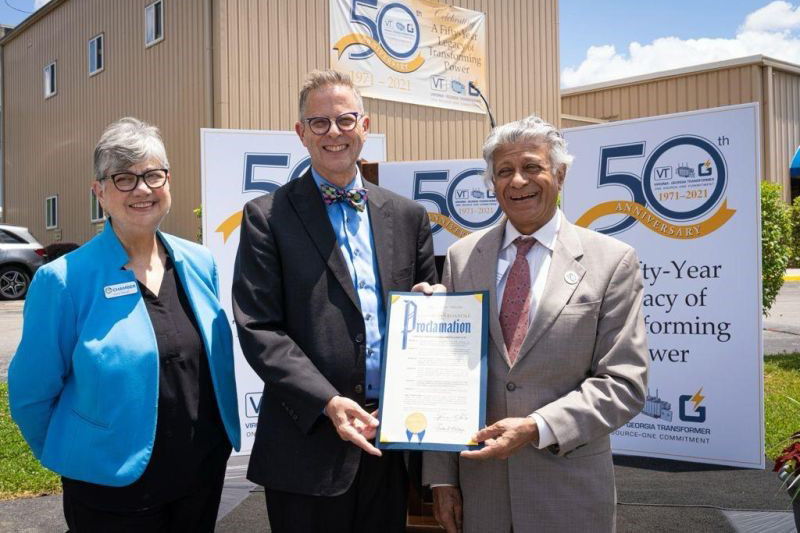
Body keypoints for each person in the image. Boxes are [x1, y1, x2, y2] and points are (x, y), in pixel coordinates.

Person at [9, 117, 241, 532]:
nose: (142, 189)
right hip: (109, 488)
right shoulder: (64, 281)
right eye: (124, 178)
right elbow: (31, 394)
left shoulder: (199, 262)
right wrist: (78, 455)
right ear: (99, 192)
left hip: (200, 476)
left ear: (168, 181)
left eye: (153, 174)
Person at [421, 115, 649, 533]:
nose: (518, 181)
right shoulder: (461, 258)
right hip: (481, 495)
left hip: (569, 494)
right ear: (492, 182)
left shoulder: (611, 261)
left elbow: (624, 382)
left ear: (559, 174)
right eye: (504, 171)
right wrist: (442, 479)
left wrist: (536, 427)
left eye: (532, 167)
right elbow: (445, 381)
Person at [232, 69, 437, 533]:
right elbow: (258, 327)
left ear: (365, 125)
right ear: (301, 134)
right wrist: (327, 401)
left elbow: (426, 319)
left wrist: (435, 310)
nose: (334, 133)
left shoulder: (408, 217)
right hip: (307, 447)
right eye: (319, 123)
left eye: (345, 120)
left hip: (391, 442)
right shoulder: (267, 217)